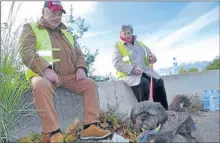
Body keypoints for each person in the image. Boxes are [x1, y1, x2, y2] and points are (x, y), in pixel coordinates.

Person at [19, 1, 111, 142]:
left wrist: (81, 67)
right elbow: (26, 52)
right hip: (43, 75)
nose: (57, 17)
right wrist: (45, 69)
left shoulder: (67, 34)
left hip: (69, 76)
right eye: (53, 13)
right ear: (43, 12)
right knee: (40, 86)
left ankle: (90, 127)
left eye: (59, 14)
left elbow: (79, 54)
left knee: (90, 84)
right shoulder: (31, 28)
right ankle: (53, 133)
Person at [112, 24, 168, 110]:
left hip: (145, 72)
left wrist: (152, 57)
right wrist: (132, 69)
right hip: (129, 74)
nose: (126, 35)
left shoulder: (140, 44)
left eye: (128, 33)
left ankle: (163, 111)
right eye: (124, 33)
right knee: (143, 84)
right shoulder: (117, 46)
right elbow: (117, 63)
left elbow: (150, 54)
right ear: (121, 35)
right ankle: (144, 114)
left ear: (132, 33)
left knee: (159, 82)